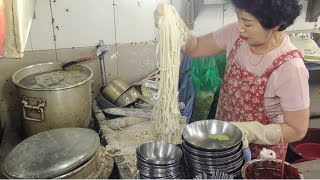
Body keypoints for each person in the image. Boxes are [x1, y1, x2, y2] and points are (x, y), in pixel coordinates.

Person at [155, 0, 310, 159]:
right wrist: (172, 26)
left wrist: (251, 131)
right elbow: (195, 47)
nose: (240, 27)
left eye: (248, 23)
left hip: (262, 155)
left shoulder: (290, 68)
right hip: (223, 141)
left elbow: (297, 129)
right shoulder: (235, 35)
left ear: (275, 25)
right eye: (238, 18)